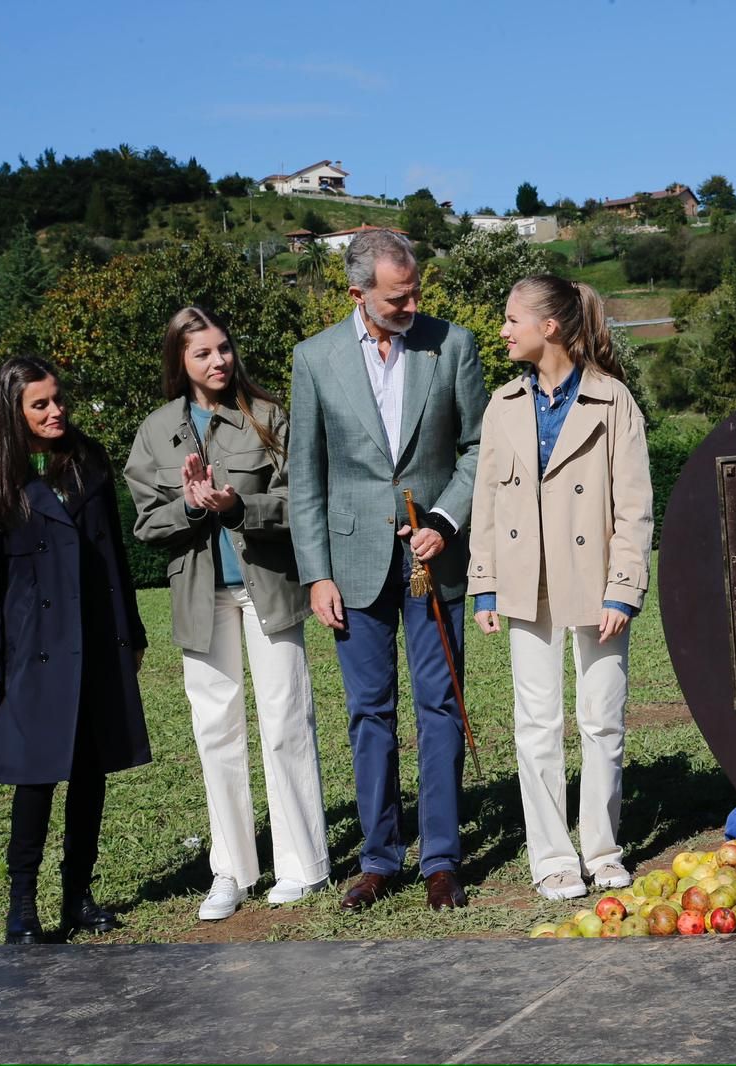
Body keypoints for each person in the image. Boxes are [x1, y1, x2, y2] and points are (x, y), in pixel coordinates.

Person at [287, 228, 488, 912]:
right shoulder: (313, 360)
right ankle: (378, 858)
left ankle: (439, 858)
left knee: (438, 709)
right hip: (352, 567)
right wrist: (316, 573)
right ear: (357, 292)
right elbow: (306, 478)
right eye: (399, 297)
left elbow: (476, 448)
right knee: (368, 712)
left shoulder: (453, 345)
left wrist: (443, 522)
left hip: (436, 565)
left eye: (416, 293)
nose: (413, 305)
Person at [124, 305, 328, 920]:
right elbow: (143, 523)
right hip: (199, 595)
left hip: (267, 588)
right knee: (216, 732)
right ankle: (232, 871)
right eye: (202, 354)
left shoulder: (268, 418)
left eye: (223, 349)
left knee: (286, 720)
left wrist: (240, 505)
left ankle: (302, 866)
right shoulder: (156, 431)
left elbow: (303, 502)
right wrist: (190, 507)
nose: (218, 362)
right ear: (179, 362)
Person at [467, 274, 654, 901]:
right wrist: (485, 586)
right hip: (526, 585)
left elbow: (635, 509)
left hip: (597, 585)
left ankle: (602, 850)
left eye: (511, 318)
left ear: (549, 326)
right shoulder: (502, 406)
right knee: (536, 725)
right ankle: (552, 857)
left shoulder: (613, 401)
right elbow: (487, 502)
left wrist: (623, 589)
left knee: (602, 720)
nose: (502, 329)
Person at [0, 356, 152, 945]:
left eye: (57, 399)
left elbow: (113, 558)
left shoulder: (89, 462)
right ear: (12, 412)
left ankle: (78, 893)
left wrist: (133, 633)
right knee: (36, 777)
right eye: (39, 404)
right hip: (30, 651)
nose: (55, 411)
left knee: (91, 772)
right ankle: (22, 904)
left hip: (94, 638)